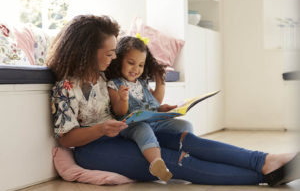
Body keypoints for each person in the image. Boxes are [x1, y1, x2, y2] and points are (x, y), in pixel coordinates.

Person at [47, 14, 300, 186]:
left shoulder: (106, 78)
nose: (114, 58)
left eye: (115, 52)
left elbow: (130, 100)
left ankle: (265, 160)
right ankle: (264, 175)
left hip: (126, 131)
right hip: (96, 150)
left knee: (188, 141)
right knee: (176, 162)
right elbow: (66, 137)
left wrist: (157, 111)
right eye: (109, 53)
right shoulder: (65, 88)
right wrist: (101, 128)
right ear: (87, 53)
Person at [105, 35, 191, 181]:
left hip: (154, 121)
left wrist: (162, 104)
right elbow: (119, 112)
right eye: (131, 63)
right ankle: (157, 163)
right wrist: (123, 99)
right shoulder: (114, 84)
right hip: (131, 125)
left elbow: (155, 102)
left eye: (140, 65)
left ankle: (185, 154)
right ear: (119, 61)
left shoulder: (142, 82)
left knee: (185, 125)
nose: (136, 69)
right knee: (143, 130)